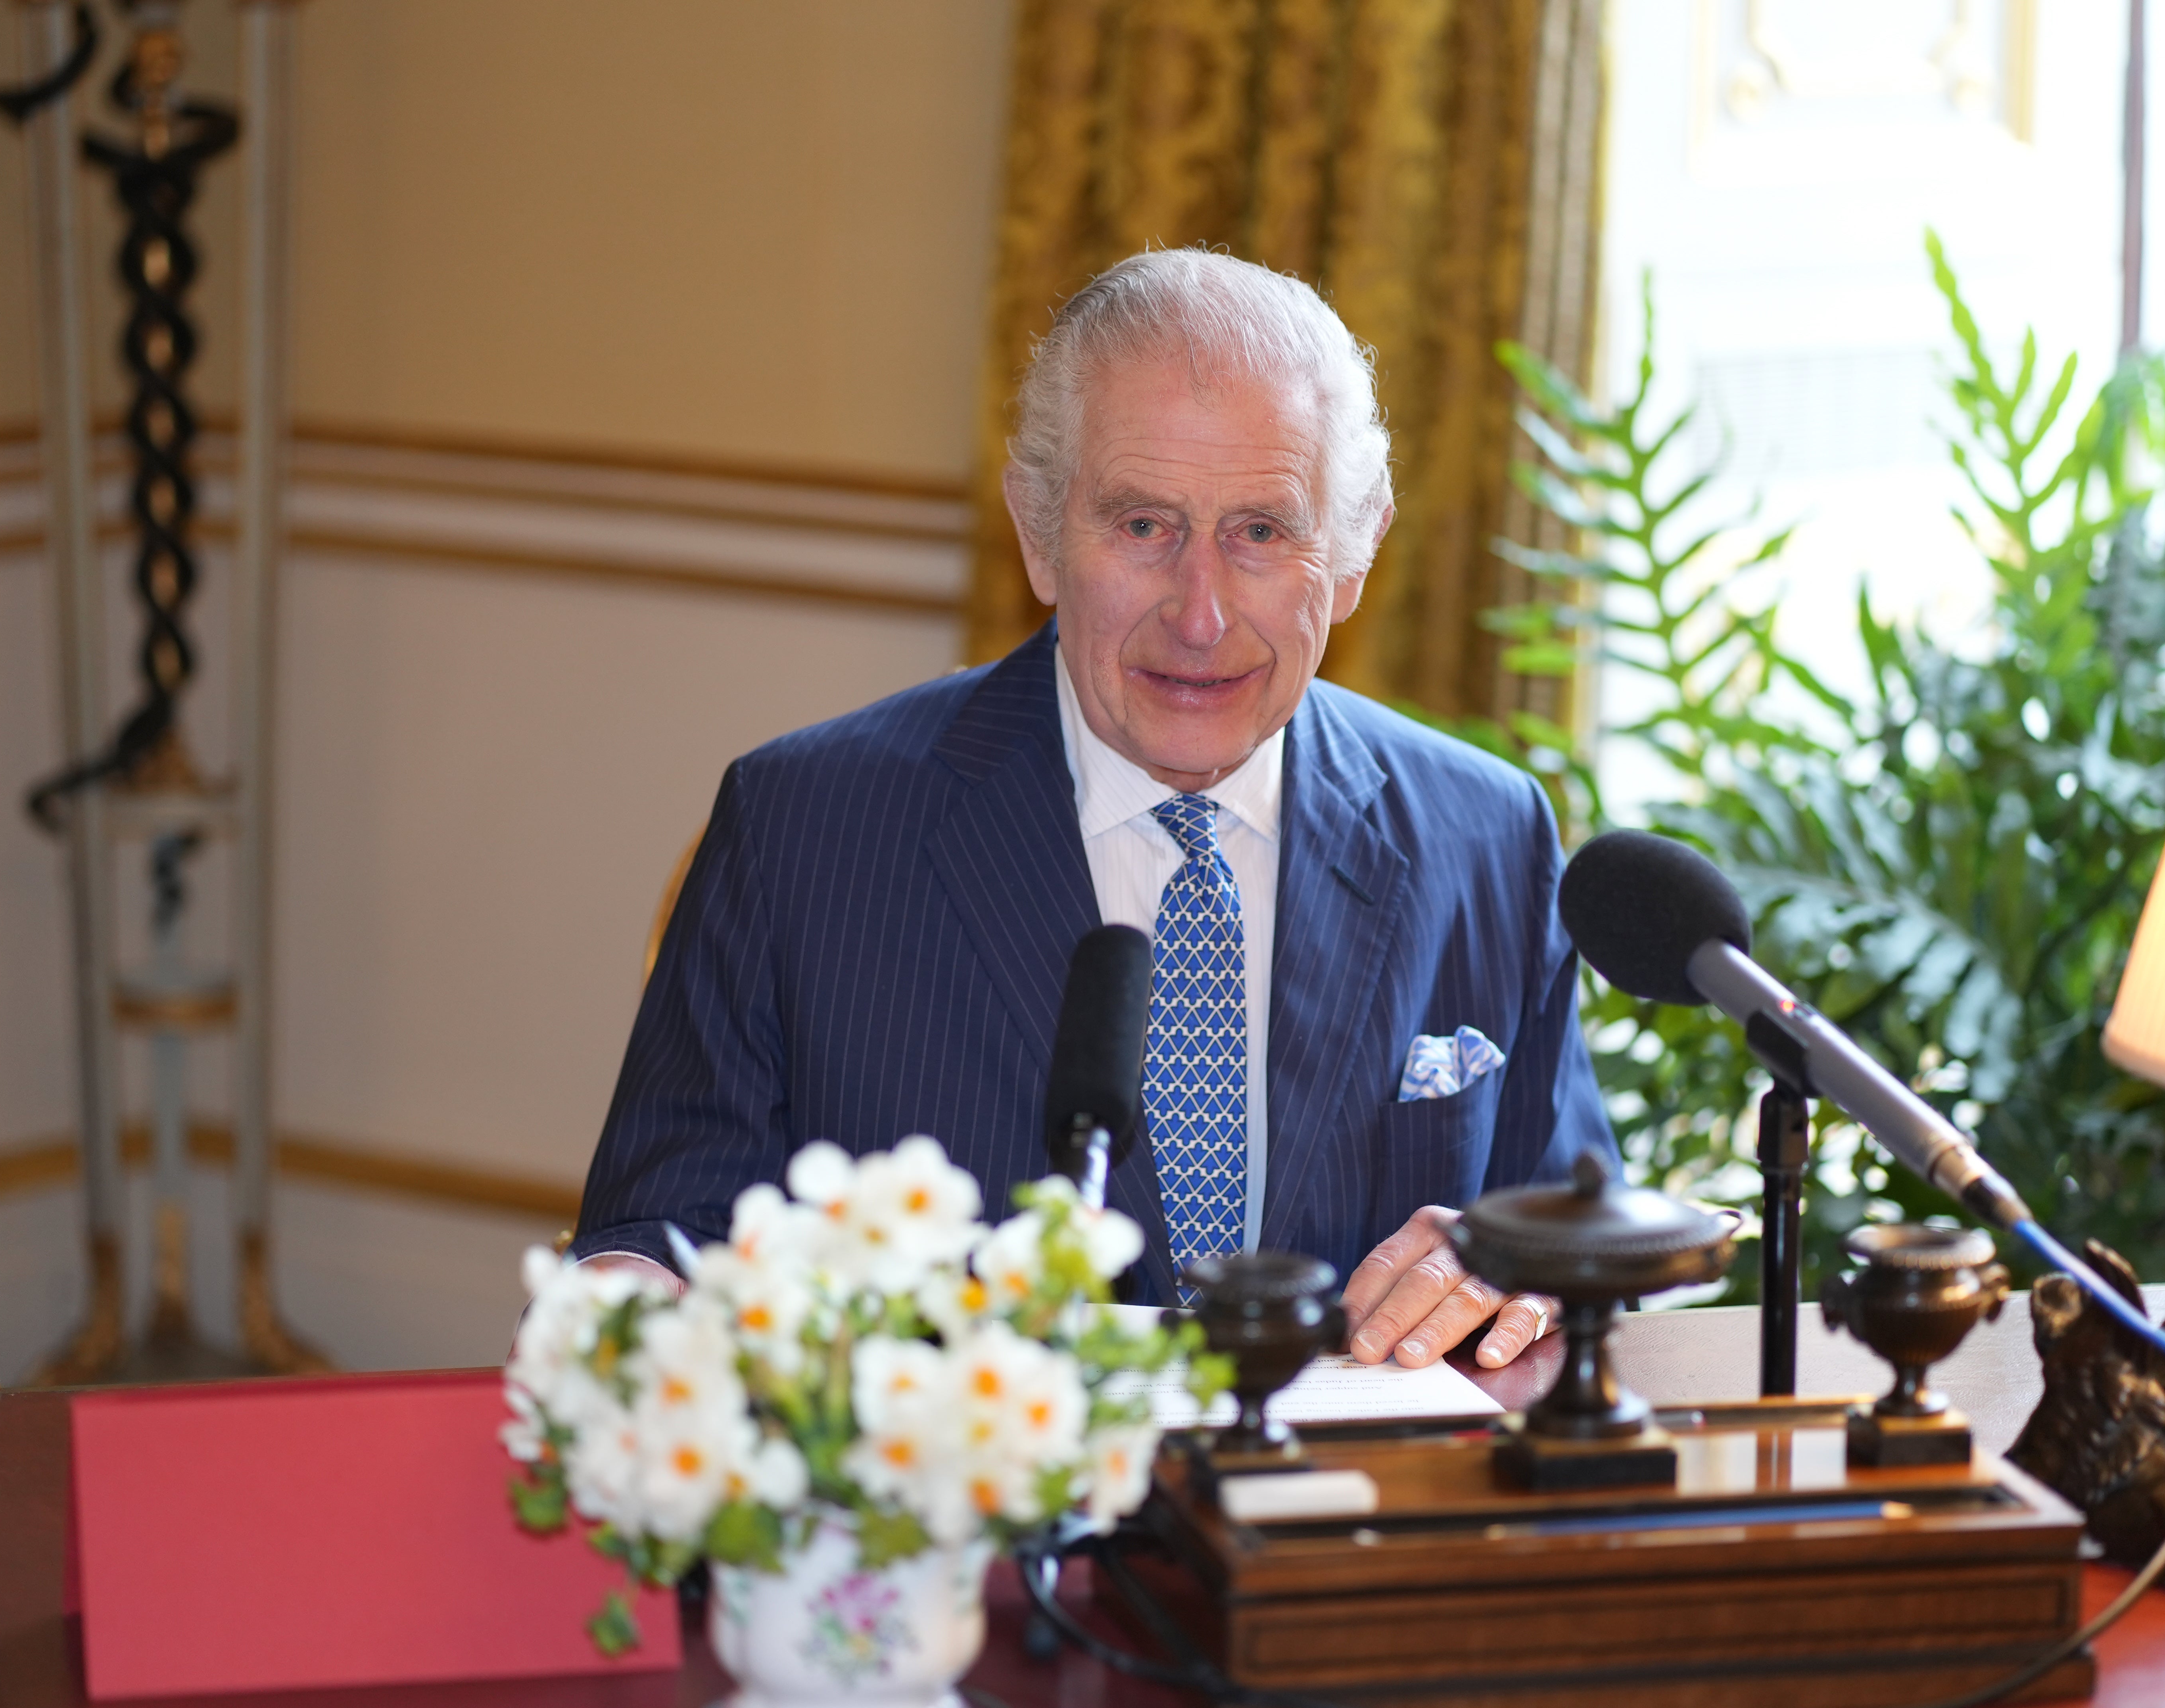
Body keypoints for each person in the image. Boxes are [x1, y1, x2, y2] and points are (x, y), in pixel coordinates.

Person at [572, 249, 1616, 1375]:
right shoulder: (803, 831)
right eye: (1143, 526)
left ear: (1354, 555)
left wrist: (1510, 1262)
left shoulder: (1487, 836)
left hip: (1342, 1530)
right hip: (954, 1525)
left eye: (1262, 531)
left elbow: (1571, 1213)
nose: (1201, 614)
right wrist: (629, 1303)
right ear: (1038, 530)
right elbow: (657, 1237)